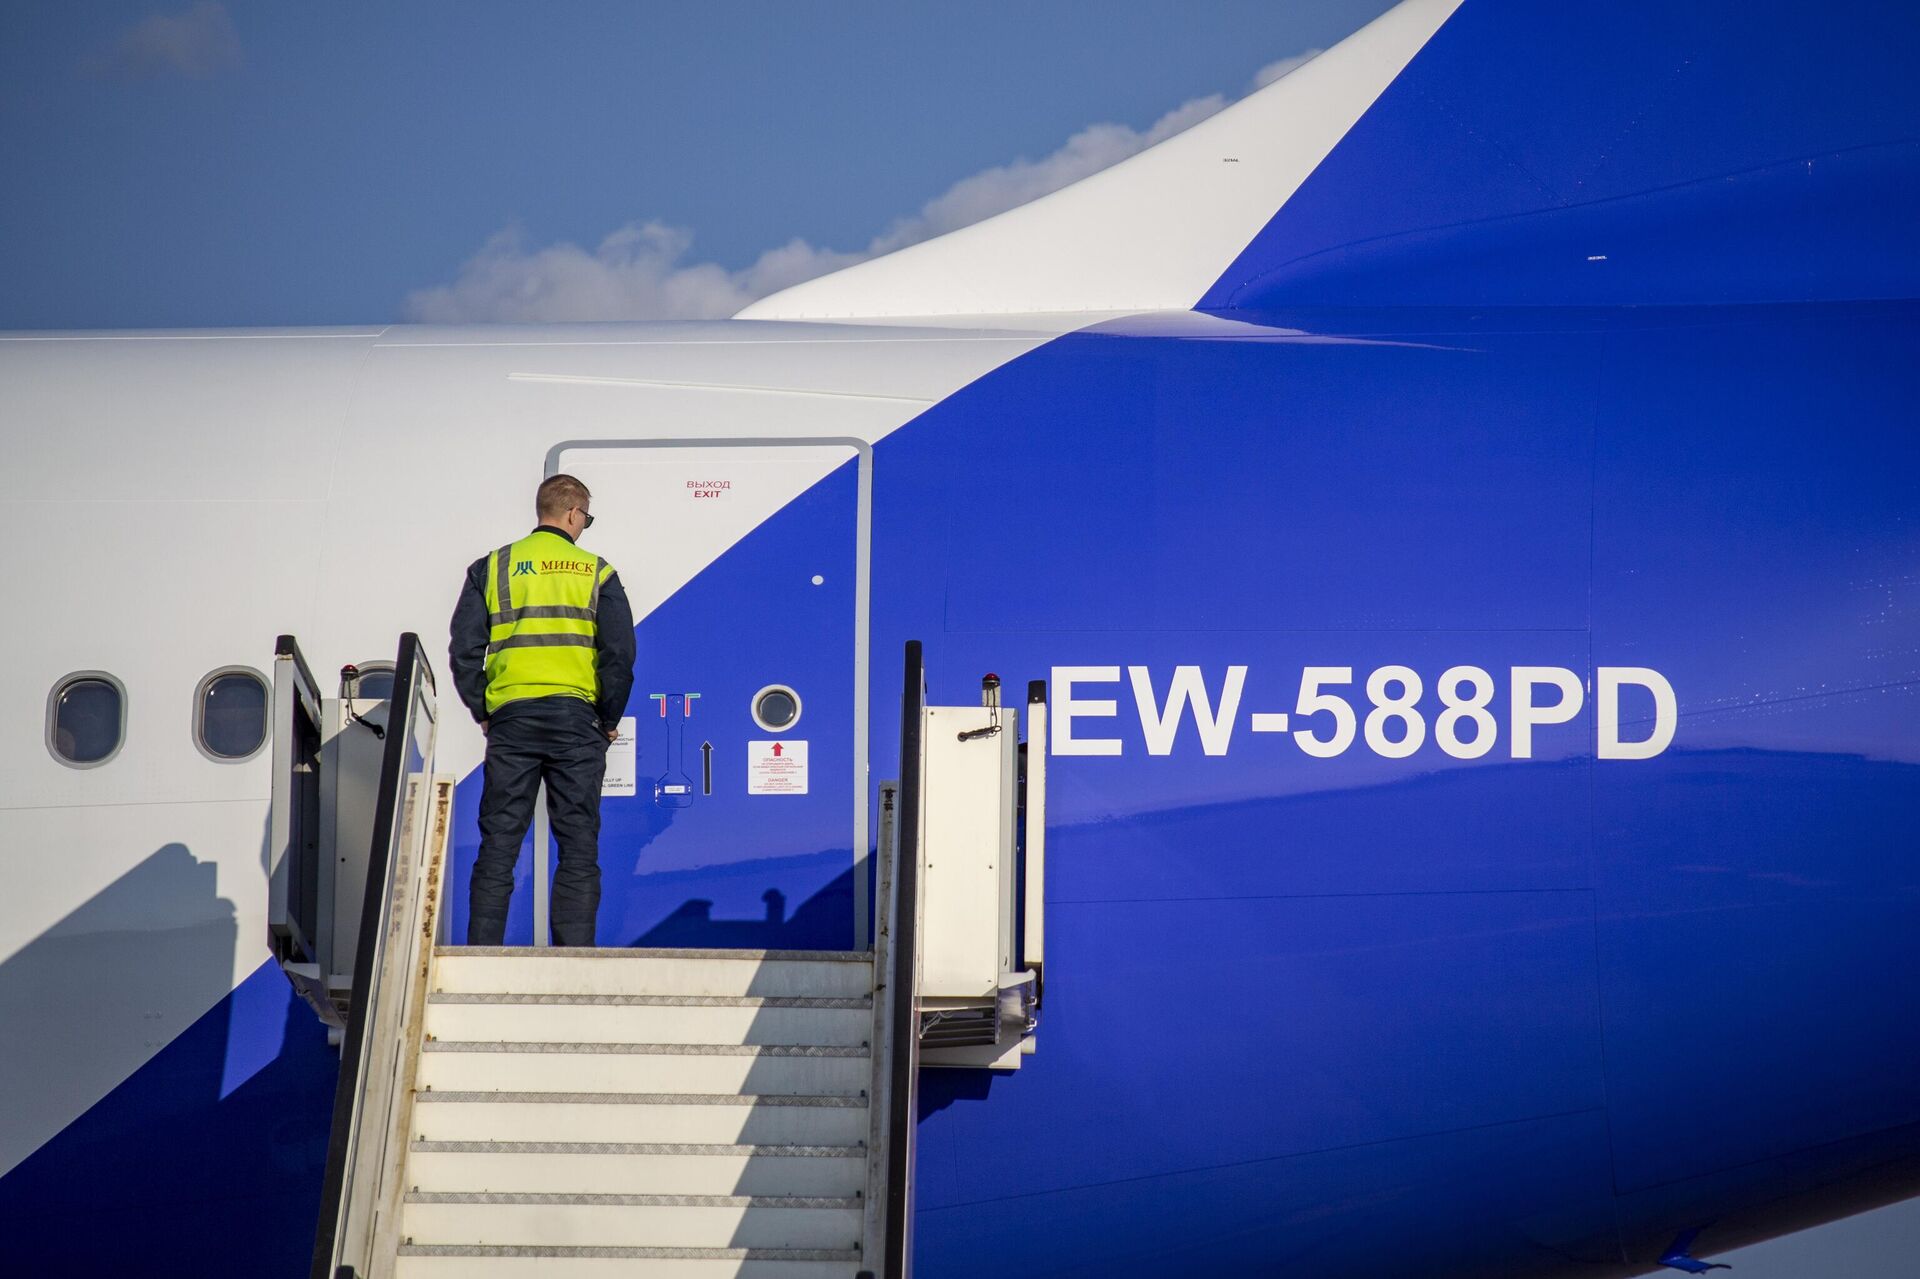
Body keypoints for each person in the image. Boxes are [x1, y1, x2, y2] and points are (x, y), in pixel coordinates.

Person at [448, 474, 635, 946]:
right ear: (574, 513)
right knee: (577, 845)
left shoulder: (491, 567)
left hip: (512, 720)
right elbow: (619, 655)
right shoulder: (598, 572)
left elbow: (464, 650)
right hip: (577, 723)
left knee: (500, 842)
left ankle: (482, 954)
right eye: (586, 518)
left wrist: (483, 710)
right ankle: (574, 957)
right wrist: (607, 720)